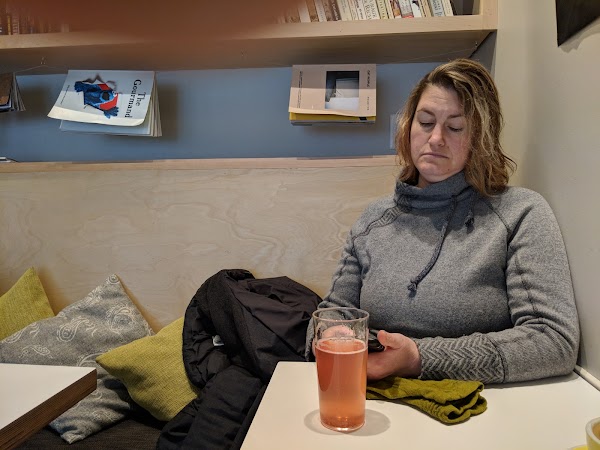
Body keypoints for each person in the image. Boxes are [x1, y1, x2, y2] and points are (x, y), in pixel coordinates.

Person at [306, 58, 580, 385]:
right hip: (370, 395)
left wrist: (418, 358)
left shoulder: (519, 213)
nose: (436, 138)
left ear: (480, 139)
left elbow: (553, 340)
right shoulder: (373, 220)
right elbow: (332, 313)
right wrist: (331, 335)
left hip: (483, 403)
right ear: (408, 127)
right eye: (425, 122)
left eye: (455, 127)